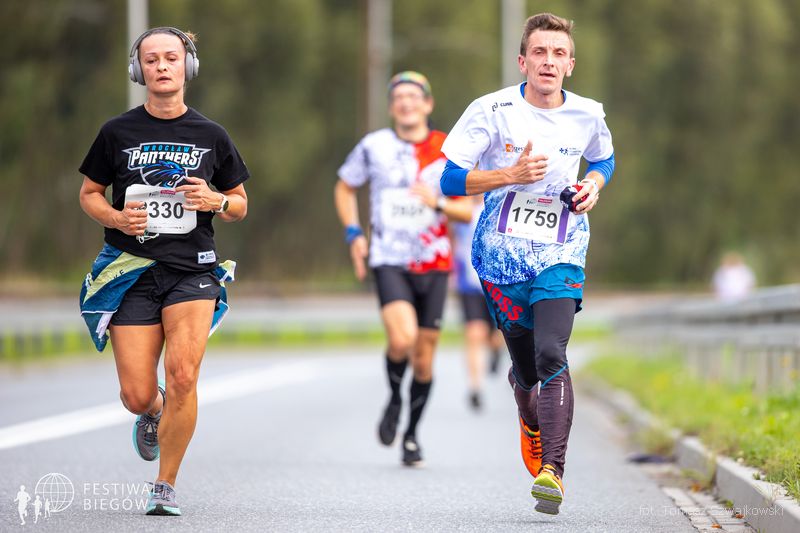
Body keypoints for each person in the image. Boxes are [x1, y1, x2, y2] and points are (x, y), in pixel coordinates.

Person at [440, 13, 615, 514]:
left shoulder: (588, 114)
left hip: (562, 250)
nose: (549, 61)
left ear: (570, 65)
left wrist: (593, 185)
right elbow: (449, 181)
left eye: (559, 54)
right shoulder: (491, 110)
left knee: (552, 351)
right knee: (526, 370)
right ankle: (526, 405)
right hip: (501, 258)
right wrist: (508, 175)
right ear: (523, 61)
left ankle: (552, 472)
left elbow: (604, 159)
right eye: (539, 52)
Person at [78, 27, 249, 516]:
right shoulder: (116, 132)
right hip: (131, 271)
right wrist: (115, 218)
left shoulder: (212, 135)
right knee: (136, 394)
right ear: (139, 70)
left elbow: (239, 204)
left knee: (183, 376)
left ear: (187, 66)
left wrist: (216, 200)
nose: (162, 67)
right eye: (151, 60)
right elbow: (90, 194)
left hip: (192, 271)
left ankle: (165, 485)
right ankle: (153, 411)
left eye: (171, 58)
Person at [334, 71, 471, 466]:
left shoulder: (449, 149)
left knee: (424, 358)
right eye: (399, 97)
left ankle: (411, 434)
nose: (406, 103)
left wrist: (437, 202)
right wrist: (354, 232)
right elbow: (345, 186)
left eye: (414, 96)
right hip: (389, 258)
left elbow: (467, 210)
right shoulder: (373, 146)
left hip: (435, 263)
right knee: (402, 338)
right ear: (392, 107)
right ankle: (395, 397)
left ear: (428, 104)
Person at [453, 196, 505, 411]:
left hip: (498, 284)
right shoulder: (460, 208)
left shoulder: (499, 204)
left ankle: (496, 350)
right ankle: (475, 388)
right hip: (470, 285)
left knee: (498, 335)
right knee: (474, 334)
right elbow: (452, 242)